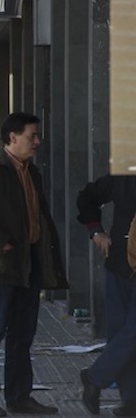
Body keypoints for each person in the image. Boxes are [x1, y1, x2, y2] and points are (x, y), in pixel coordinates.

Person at [0, 112, 68, 417]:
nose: (37, 142)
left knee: (22, 333)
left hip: (28, 263)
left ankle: (20, 396)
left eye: (37, 136)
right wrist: (2, 241)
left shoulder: (31, 172)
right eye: (31, 136)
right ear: (12, 138)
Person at [76, 174, 136, 416]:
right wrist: (96, 232)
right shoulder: (123, 175)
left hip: (122, 263)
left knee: (131, 332)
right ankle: (131, 398)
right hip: (120, 263)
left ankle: (94, 377)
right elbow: (87, 198)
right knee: (121, 331)